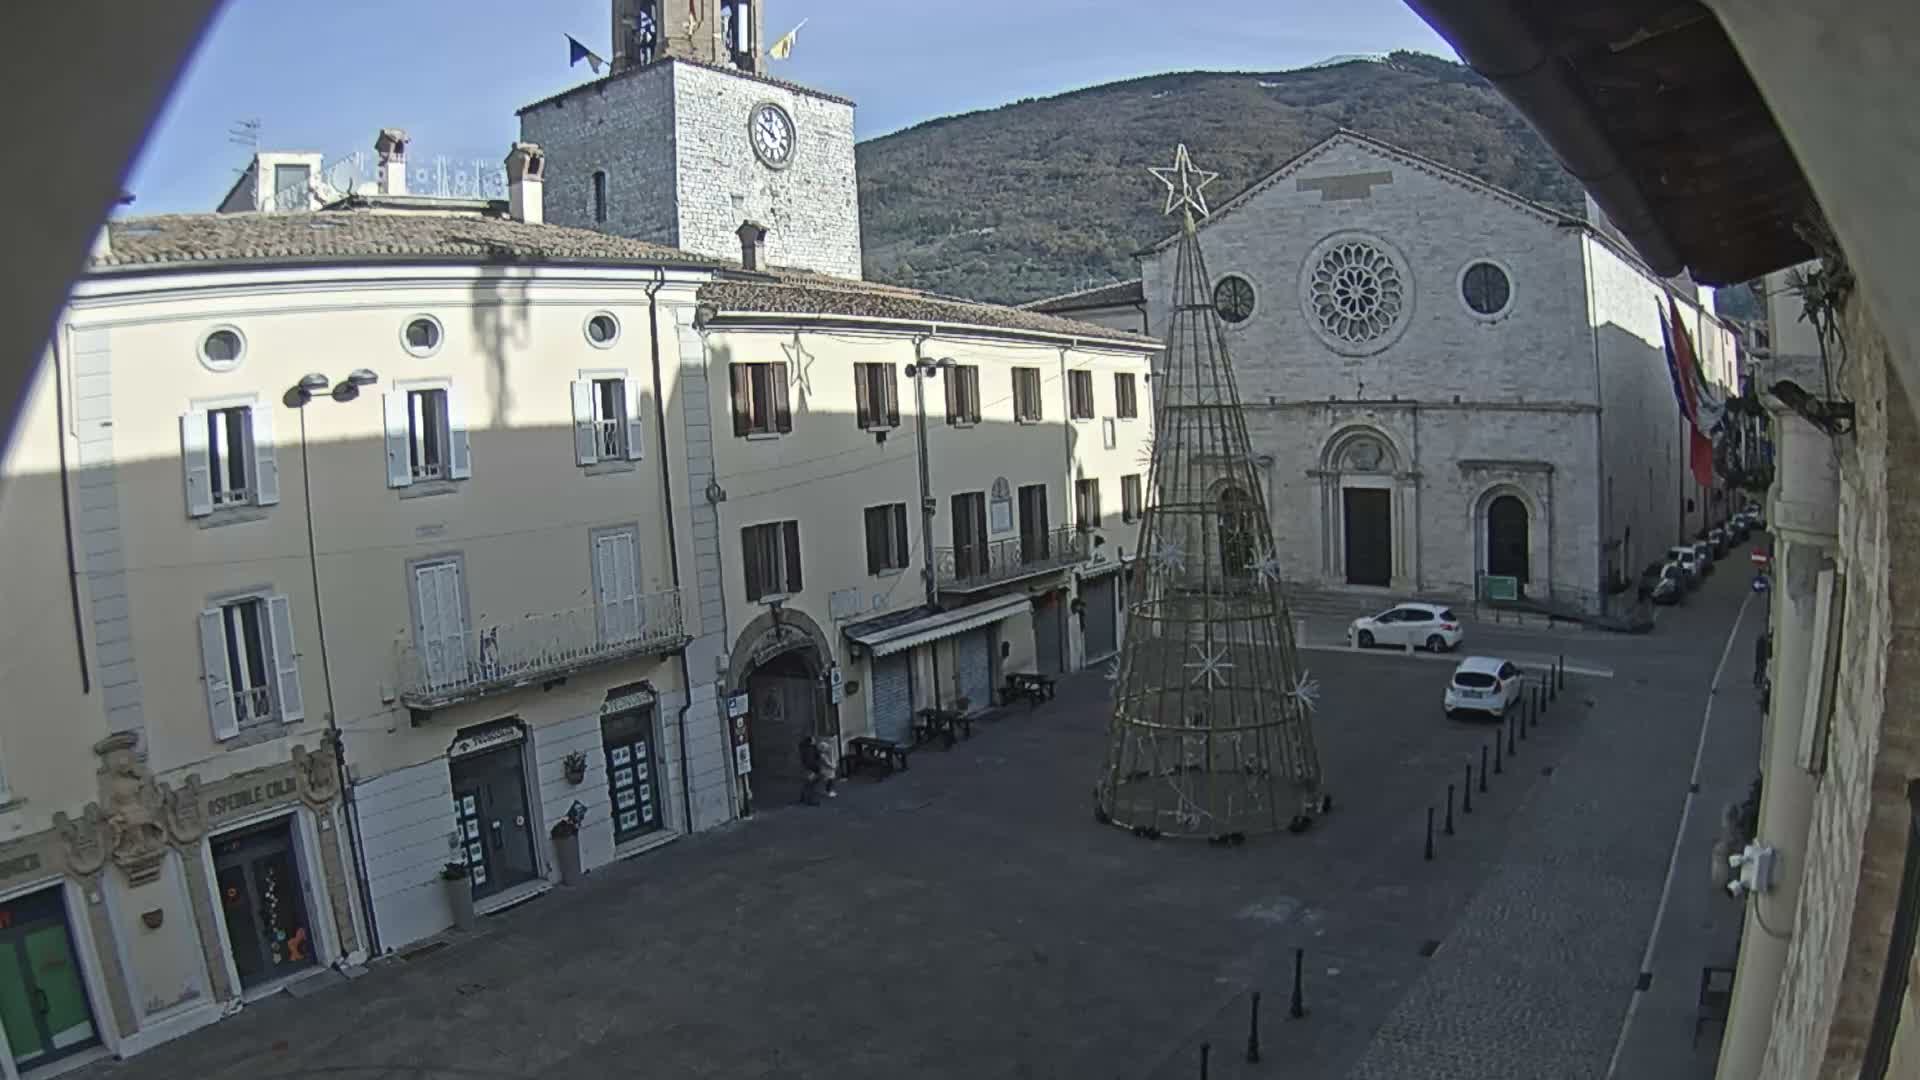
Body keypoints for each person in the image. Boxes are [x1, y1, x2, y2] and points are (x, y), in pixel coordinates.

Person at [797, 735, 835, 805]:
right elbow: (810, 761)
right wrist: (817, 769)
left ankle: (803, 798)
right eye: (814, 740)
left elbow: (817, 756)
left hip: (809, 769)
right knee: (810, 784)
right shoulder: (809, 749)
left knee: (809, 784)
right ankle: (810, 801)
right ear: (810, 741)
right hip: (810, 769)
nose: (815, 741)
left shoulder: (808, 748)